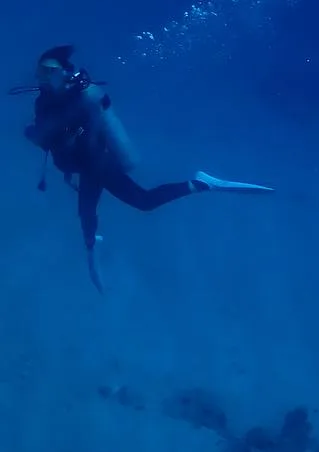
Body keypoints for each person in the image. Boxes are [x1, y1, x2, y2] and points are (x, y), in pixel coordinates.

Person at [10, 45, 273, 291]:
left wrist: (40, 134)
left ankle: (202, 184)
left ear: (66, 72)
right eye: (40, 71)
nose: (42, 76)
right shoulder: (44, 101)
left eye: (49, 71)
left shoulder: (81, 98)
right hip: (87, 164)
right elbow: (51, 134)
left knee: (120, 206)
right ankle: (199, 185)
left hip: (97, 164)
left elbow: (68, 133)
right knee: (113, 207)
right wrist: (39, 134)